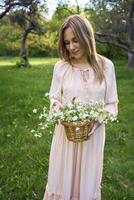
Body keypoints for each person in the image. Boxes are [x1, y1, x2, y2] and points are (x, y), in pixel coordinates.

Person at [43, 14, 118, 200]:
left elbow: (112, 104)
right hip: (65, 137)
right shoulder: (61, 68)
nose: (71, 47)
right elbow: (54, 98)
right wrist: (60, 112)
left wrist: (98, 119)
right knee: (62, 179)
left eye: (75, 40)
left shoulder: (106, 66)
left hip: (92, 139)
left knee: (87, 184)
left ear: (87, 37)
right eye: (67, 42)